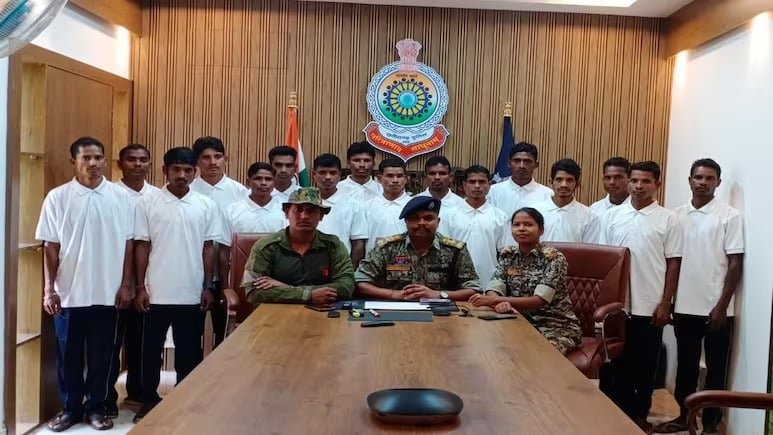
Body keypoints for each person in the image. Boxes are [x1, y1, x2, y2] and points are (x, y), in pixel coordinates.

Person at [36, 136, 134, 431]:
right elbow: (50, 246)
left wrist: (126, 285)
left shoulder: (121, 198)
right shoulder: (58, 198)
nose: (93, 163)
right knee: (68, 357)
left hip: (108, 293)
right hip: (68, 294)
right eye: (86, 158)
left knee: (103, 356)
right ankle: (70, 409)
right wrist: (49, 290)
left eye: (98, 157)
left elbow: (129, 244)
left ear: (105, 160)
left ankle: (97, 409)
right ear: (74, 161)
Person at [133, 147, 224, 423]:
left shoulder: (206, 204)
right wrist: (140, 287)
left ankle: (184, 400)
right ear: (165, 171)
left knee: (189, 353)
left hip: (191, 293)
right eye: (176, 169)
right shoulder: (147, 203)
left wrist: (207, 286)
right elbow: (141, 246)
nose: (182, 175)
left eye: (187, 170)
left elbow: (209, 248)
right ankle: (148, 401)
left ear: (194, 172)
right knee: (150, 352)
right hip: (155, 292)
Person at [654, 159, 744, 435]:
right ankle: (684, 418)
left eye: (709, 178)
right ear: (690, 180)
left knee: (716, 370)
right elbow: (671, 262)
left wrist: (722, 305)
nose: (703, 182)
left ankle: (711, 425)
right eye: (698, 177)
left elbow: (735, 264)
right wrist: (669, 301)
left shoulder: (729, 216)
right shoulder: (676, 216)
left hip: (718, 310)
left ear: (718, 182)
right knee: (686, 367)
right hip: (684, 306)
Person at [601, 161, 682, 431]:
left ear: (657, 184)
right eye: (634, 180)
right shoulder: (613, 216)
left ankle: (640, 415)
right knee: (617, 362)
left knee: (646, 363)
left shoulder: (668, 219)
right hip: (617, 305)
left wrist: (665, 302)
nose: (638, 186)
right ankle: (618, 415)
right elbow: (606, 260)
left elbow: (673, 263)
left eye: (645, 181)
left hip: (650, 304)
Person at [469, 207, 582, 355]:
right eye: (516, 225)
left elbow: (539, 301)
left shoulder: (553, 258)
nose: (521, 229)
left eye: (528, 224)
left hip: (555, 326)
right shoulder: (507, 255)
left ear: (541, 230)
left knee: (539, 356)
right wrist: (498, 302)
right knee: (484, 345)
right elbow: (495, 286)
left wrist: (495, 300)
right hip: (516, 320)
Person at [107, 144, 160, 417]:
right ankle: (106, 398)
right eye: (131, 160)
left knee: (142, 342)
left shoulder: (158, 197)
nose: (138, 164)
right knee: (110, 344)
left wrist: (141, 285)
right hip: (111, 282)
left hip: (147, 284)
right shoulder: (109, 195)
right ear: (120, 164)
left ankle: (138, 394)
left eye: (143, 160)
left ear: (150, 164)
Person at [240, 187, 355, 306]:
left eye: (311, 211)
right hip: (275, 312)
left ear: (321, 216)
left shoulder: (333, 245)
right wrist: (308, 295)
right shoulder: (266, 246)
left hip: (323, 311)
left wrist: (286, 288)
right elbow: (253, 292)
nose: (304, 216)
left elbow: (347, 285)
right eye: (298, 210)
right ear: (287, 213)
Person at [355, 196, 480, 301]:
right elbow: (359, 283)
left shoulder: (455, 250)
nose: (421, 223)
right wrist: (394, 294)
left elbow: (474, 289)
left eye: (428, 218)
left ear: (438, 221)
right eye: (414, 218)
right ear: (406, 222)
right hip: (395, 309)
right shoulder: (387, 248)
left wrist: (439, 294)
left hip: (441, 312)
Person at [190, 136, 249, 346]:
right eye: (206, 158)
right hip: (195, 273)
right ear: (197, 162)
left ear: (226, 159)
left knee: (225, 333)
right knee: (191, 333)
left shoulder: (240, 192)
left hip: (230, 275)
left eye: (218, 156)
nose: (213, 162)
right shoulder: (188, 191)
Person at [219, 162, 287, 289]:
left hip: (278, 275)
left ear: (274, 183)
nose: (263, 183)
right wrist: (224, 287)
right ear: (248, 181)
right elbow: (224, 250)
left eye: (268, 179)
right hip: (239, 274)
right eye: (258, 178)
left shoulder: (286, 211)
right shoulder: (232, 211)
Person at [438, 165, 510, 284]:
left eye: (482, 182)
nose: (477, 186)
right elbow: (443, 250)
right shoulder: (448, 215)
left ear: (489, 185)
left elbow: (504, 253)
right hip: (455, 283)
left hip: (489, 282)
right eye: (472, 182)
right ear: (464, 185)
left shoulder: (500, 216)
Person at [312, 154, 368, 267]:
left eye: (333, 173)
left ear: (340, 175)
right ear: (314, 174)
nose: (328, 177)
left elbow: (358, 244)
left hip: (340, 266)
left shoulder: (354, 205)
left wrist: (349, 272)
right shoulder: (304, 204)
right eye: (322, 172)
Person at [534, 158, 599, 243]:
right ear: (551, 181)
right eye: (559, 179)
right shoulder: (535, 211)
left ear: (577, 184)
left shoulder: (589, 216)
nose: (564, 185)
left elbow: (590, 249)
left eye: (569, 180)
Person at [487, 141, 553, 219]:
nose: (521, 166)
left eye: (527, 161)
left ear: (536, 165)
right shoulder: (493, 192)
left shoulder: (547, 194)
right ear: (509, 163)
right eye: (517, 161)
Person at [364, 158, 413, 252]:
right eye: (390, 176)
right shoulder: (367, 206)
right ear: (379, 178)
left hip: (406, 258)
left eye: (399, 176)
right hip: (373, 259)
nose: (395, 180)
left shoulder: (413, 206)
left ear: (406, 179)